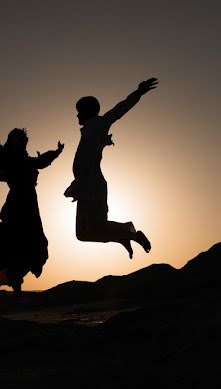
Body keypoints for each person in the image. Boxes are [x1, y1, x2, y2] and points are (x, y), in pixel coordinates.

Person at [0, 95, 63, 295]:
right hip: (15, 205)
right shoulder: (6, 157)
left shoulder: (27, 161)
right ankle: (9, 276)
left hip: (30, 204)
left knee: (36, 244)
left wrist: (56, 152)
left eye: (22, 141)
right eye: (15, 140)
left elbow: (41, 162)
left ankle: (15, 277)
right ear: (10, 141)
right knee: (8, 239)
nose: (19, 144)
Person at [64, 77, 158, 258]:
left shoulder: (100, 123)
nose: (77, 115)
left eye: (79, 111)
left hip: (94, 186)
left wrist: (138, 93)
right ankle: (123, 235)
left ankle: (129, 232)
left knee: (96, 228)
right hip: (84, 187)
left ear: (89, 111)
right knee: (82, 234)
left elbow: (118, 110)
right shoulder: (89, 131)